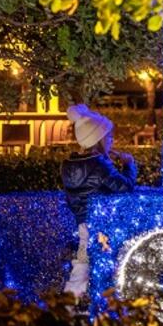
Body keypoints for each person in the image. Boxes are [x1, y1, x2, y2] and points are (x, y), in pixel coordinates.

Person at [61, 104, 138, 298]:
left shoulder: (70, 164)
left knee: (82, 265)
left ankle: (69, 307)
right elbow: (125, 186)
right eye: (108, 137)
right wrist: (129, 165)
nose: (111, 141)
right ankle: (83, 310)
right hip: (100, 224)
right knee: (101, 266)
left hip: (83, 223)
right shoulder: (99, 165)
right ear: (98, 139)